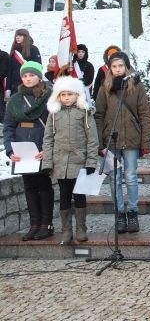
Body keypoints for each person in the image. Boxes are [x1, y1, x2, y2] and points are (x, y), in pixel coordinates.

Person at [94, 51, 150, 234]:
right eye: (114, 66)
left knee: (130, 176)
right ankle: (119, 213)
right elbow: (99, 115)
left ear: (126, 67)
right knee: (115, 178)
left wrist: (146, 142)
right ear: (110, 69)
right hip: (111, 140)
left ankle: (132, 212)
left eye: (121, 66)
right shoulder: (105, 87)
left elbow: (144, 115)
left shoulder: (137, 86)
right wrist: (99, 142)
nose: (118, 69)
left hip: (132, 139)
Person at [42, 76, 98, 245]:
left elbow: (92, 139)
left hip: (79, 161)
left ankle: (81, 228)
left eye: (70, 94)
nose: (66, 97)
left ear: (77, 95)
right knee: (64, 195)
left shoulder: (84, 113)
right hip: (60, 163)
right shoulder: (54, 115)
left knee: (79, 195)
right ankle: (66, 230)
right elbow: (48, 139)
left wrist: (91, 162)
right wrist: (47, 162)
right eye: (63, 94)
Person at [3, 61, 54, 241]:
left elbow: (55, 126)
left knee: (44, 185)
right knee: (29, 187)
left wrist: (48, 149)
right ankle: (34, 224)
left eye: (31, 75)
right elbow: (9, 127)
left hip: (41, 149)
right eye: (25, 76)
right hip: (22, 152)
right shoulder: (15, 100)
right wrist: (10, 150)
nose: (28, 78)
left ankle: (46, 224)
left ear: (39, 76)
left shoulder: (49, 97)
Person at [5, 29, 42, 101]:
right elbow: (10, 71)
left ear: (26, 37)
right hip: (14, 86)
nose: (17, 37)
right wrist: (8, 88)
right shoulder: (14, 51)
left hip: (29, 84)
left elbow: (38, 66)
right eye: (16, 36)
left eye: (20, 35)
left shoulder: (33, 49)